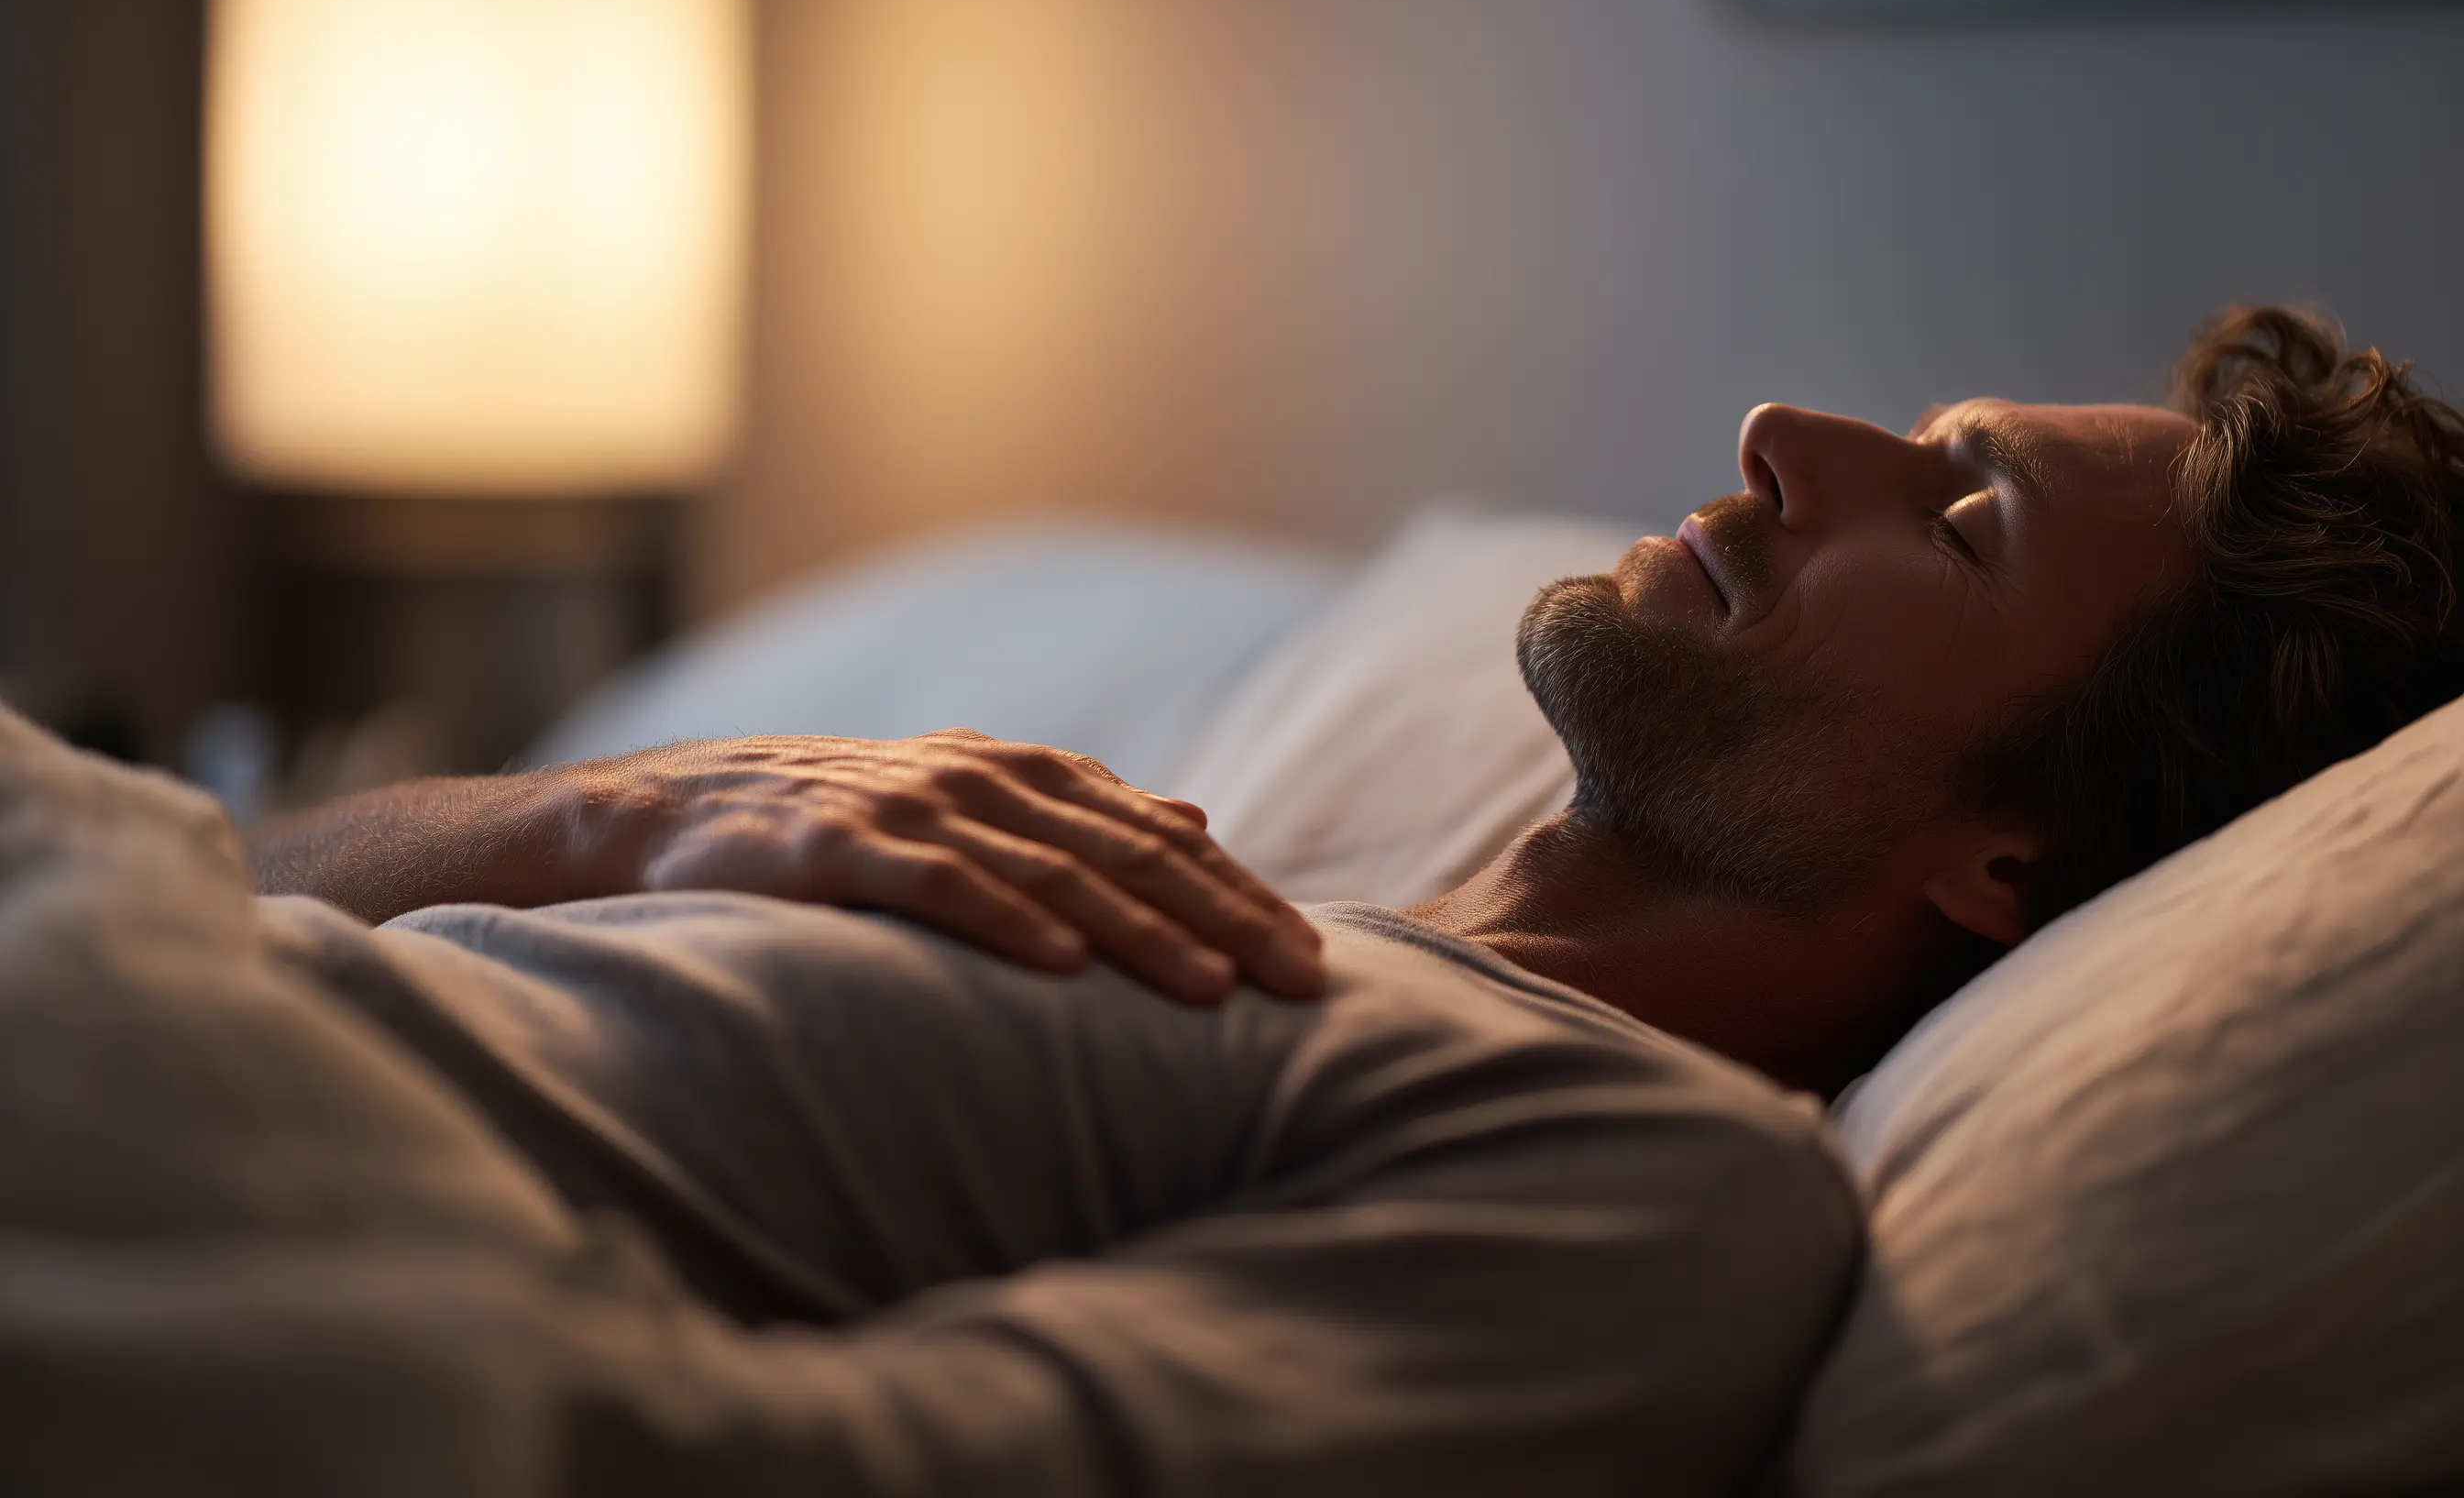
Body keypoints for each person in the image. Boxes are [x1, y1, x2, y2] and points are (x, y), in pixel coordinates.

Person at [209, 305, 2461, 1491]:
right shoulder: (1112, 840)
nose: (1789, 429)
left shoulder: (1651, 1194)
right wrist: (633, 806)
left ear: (2015, 868)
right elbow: (217, 870)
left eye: (1956, 522)